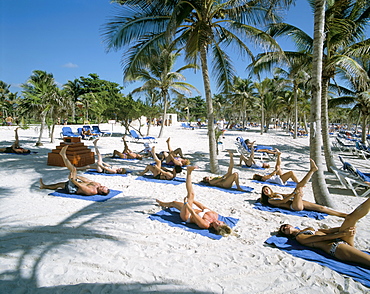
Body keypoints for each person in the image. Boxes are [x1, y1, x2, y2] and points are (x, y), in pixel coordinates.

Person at [278, 197, 370, 268]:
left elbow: (328, 231)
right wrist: (342, 234)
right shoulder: (299, 237)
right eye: (284, 229)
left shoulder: (309, 228)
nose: (286, 227)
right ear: (286, 234)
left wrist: (346, 229)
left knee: (350, 218)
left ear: (291, 225)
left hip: (340, 239)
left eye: (286, 225)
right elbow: (320, 238)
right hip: (336, 248)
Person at [156, 166, 232, 236]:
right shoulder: (215, 215)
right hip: (190, 209)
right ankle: (162, 203)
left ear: (214, 229)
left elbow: (192, 213)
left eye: (216, 226)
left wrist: (187, 203)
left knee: (191, 194)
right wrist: (193, 201)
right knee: (174, 203)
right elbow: (202, 206)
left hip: (187, 216)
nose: (216, 223)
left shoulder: (206, 224)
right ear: (223, 222)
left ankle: (189, 172)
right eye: (219, 223)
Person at [260, 159, 347, 218]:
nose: (266, 191)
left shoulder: (275, 194)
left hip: (295, 201)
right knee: (299, 186)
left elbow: (286, 195)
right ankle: (312, 170)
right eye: (264, 191)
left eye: (267, 189)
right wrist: (294, 194)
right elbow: (283, 201)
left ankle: (344, 215)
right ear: (264, 194)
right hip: (293, 206)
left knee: (321, 208)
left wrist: (297, 195)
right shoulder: (270, 200)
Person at [39, 145, 110, 196]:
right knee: (60, 184)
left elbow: (80, 186)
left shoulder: (91, 191)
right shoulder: (98, 184)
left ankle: (63, 155)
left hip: (74, 189)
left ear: (100, 192)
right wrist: (78, 177)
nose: (103, 187)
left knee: (73, 169)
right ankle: (44, 186)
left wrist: (72, 179)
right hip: (76, 183)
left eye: (103, 189)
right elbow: (87, 180)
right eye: (104, 187)